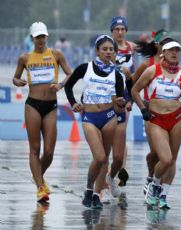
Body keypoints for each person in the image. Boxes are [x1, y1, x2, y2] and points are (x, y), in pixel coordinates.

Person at [12, 22, 72, 202]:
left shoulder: (56, 54)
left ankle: (38, 176)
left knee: (49, 152)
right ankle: (40, 187)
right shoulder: (25, 58)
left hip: (51, 105)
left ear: (47, 36)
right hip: (33, 105)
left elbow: (70, 73)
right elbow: (15, 77)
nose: (41, 40)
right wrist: (18, 82)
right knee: (35, 148)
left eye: (43, 36)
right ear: (32, 38)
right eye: (37, 37)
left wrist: (60, 84)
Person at [64, 34, 125, 209]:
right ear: (97, 51)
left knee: (104, 158)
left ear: (115, 52)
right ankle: (89, 189)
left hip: (108, 117)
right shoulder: (85, 68)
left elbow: (120, 101)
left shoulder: (117, 75)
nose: (108, 52)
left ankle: (97, 195)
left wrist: (121, 103)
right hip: (89, 117)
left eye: (111, 50)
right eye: (104, 49)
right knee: (98, 157)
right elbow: (69, 86)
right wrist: (74, 103)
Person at [131, 39, 181, 208]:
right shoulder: (152, 71)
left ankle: (163, 195)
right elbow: (134, 90)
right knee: (164, 159)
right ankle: (155, 185)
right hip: (156, 119)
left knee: (172, 160)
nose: (174, 53)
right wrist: (143, 108)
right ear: (163, 53)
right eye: (171, 50)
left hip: (176, 119)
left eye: (177, 50)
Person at [132, 29, 177, 208]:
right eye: (164, 42)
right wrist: (134, 103)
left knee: (169, 156)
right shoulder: (147, 64)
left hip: (172, 115)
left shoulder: (175, 65)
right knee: (157, 154)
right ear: (158, 45)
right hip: (151, 115)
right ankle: (151, 178)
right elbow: (133, 85)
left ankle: (161, 192)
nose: (168, 46)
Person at [109, 16, 136, 190]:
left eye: (122, 29)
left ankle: (122, 169)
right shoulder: (107, 47)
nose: (120, 32)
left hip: (125, 93)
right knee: (110, 133)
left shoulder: (132, 47)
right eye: (117, 29)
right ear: (112, 31)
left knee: (121, 132)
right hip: (109, 92)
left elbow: (134, 73)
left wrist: (132, 96)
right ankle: (110, 167)